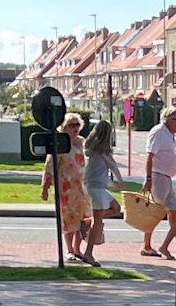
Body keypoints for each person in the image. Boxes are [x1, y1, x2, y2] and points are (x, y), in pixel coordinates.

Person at [44, 113, 95, 263]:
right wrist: (46, 187)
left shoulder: (82, 142)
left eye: (77, 125)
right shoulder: (60, 142)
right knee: (68, 219)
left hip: (82, 187)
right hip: (66, 188)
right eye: (71, 125)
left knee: (84, 219)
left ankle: (78, 248)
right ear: (64, 127)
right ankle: (69, 250)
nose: (75, 128)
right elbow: (49, 166)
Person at [142, 107, 176, 259]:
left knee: (174, 211)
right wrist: (148, 178)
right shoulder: (159, 132)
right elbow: (150, 156)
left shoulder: (170, 135)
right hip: (158, 176)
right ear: (169, 120)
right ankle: (146, 246)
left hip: (167, 178)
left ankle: (170, 247)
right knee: (155, 212)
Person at [83, 119, 120, 258]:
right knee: (97, 222)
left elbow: (98, 170)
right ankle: (88, 253)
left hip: (95, 185)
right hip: (96, 187)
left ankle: (87, 221)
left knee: (116, 208)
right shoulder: (104, 150)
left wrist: (110, 183)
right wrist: (120, 179)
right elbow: (112, 165)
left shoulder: (91, 148)